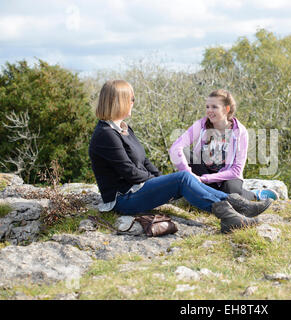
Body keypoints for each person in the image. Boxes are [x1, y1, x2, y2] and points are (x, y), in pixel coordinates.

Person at [88, 80, 273, 234]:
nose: (133, 102)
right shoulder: (106, 134)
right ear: (119, 101)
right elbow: (129, 172)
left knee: (180, 179)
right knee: (182, 178)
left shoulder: (123, 129)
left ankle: (238, 206)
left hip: (138, 189)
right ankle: (232, 215)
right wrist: (162, 182)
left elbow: (144, 162)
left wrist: (162, 181)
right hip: (124, 199)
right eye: (131, 99)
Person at [169, 89, 279, 201]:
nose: (209, 111)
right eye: (207, 107)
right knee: (185, 152)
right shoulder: (201, 125)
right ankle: (206, 192)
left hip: (228, 176)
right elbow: (175, 148)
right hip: (203, 172)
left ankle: (254, 195)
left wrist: (206, 179)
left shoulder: (240, 132)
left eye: (214, 107)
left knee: (231, 196)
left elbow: (236, 170)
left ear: (227, 109)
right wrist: (190, 174)